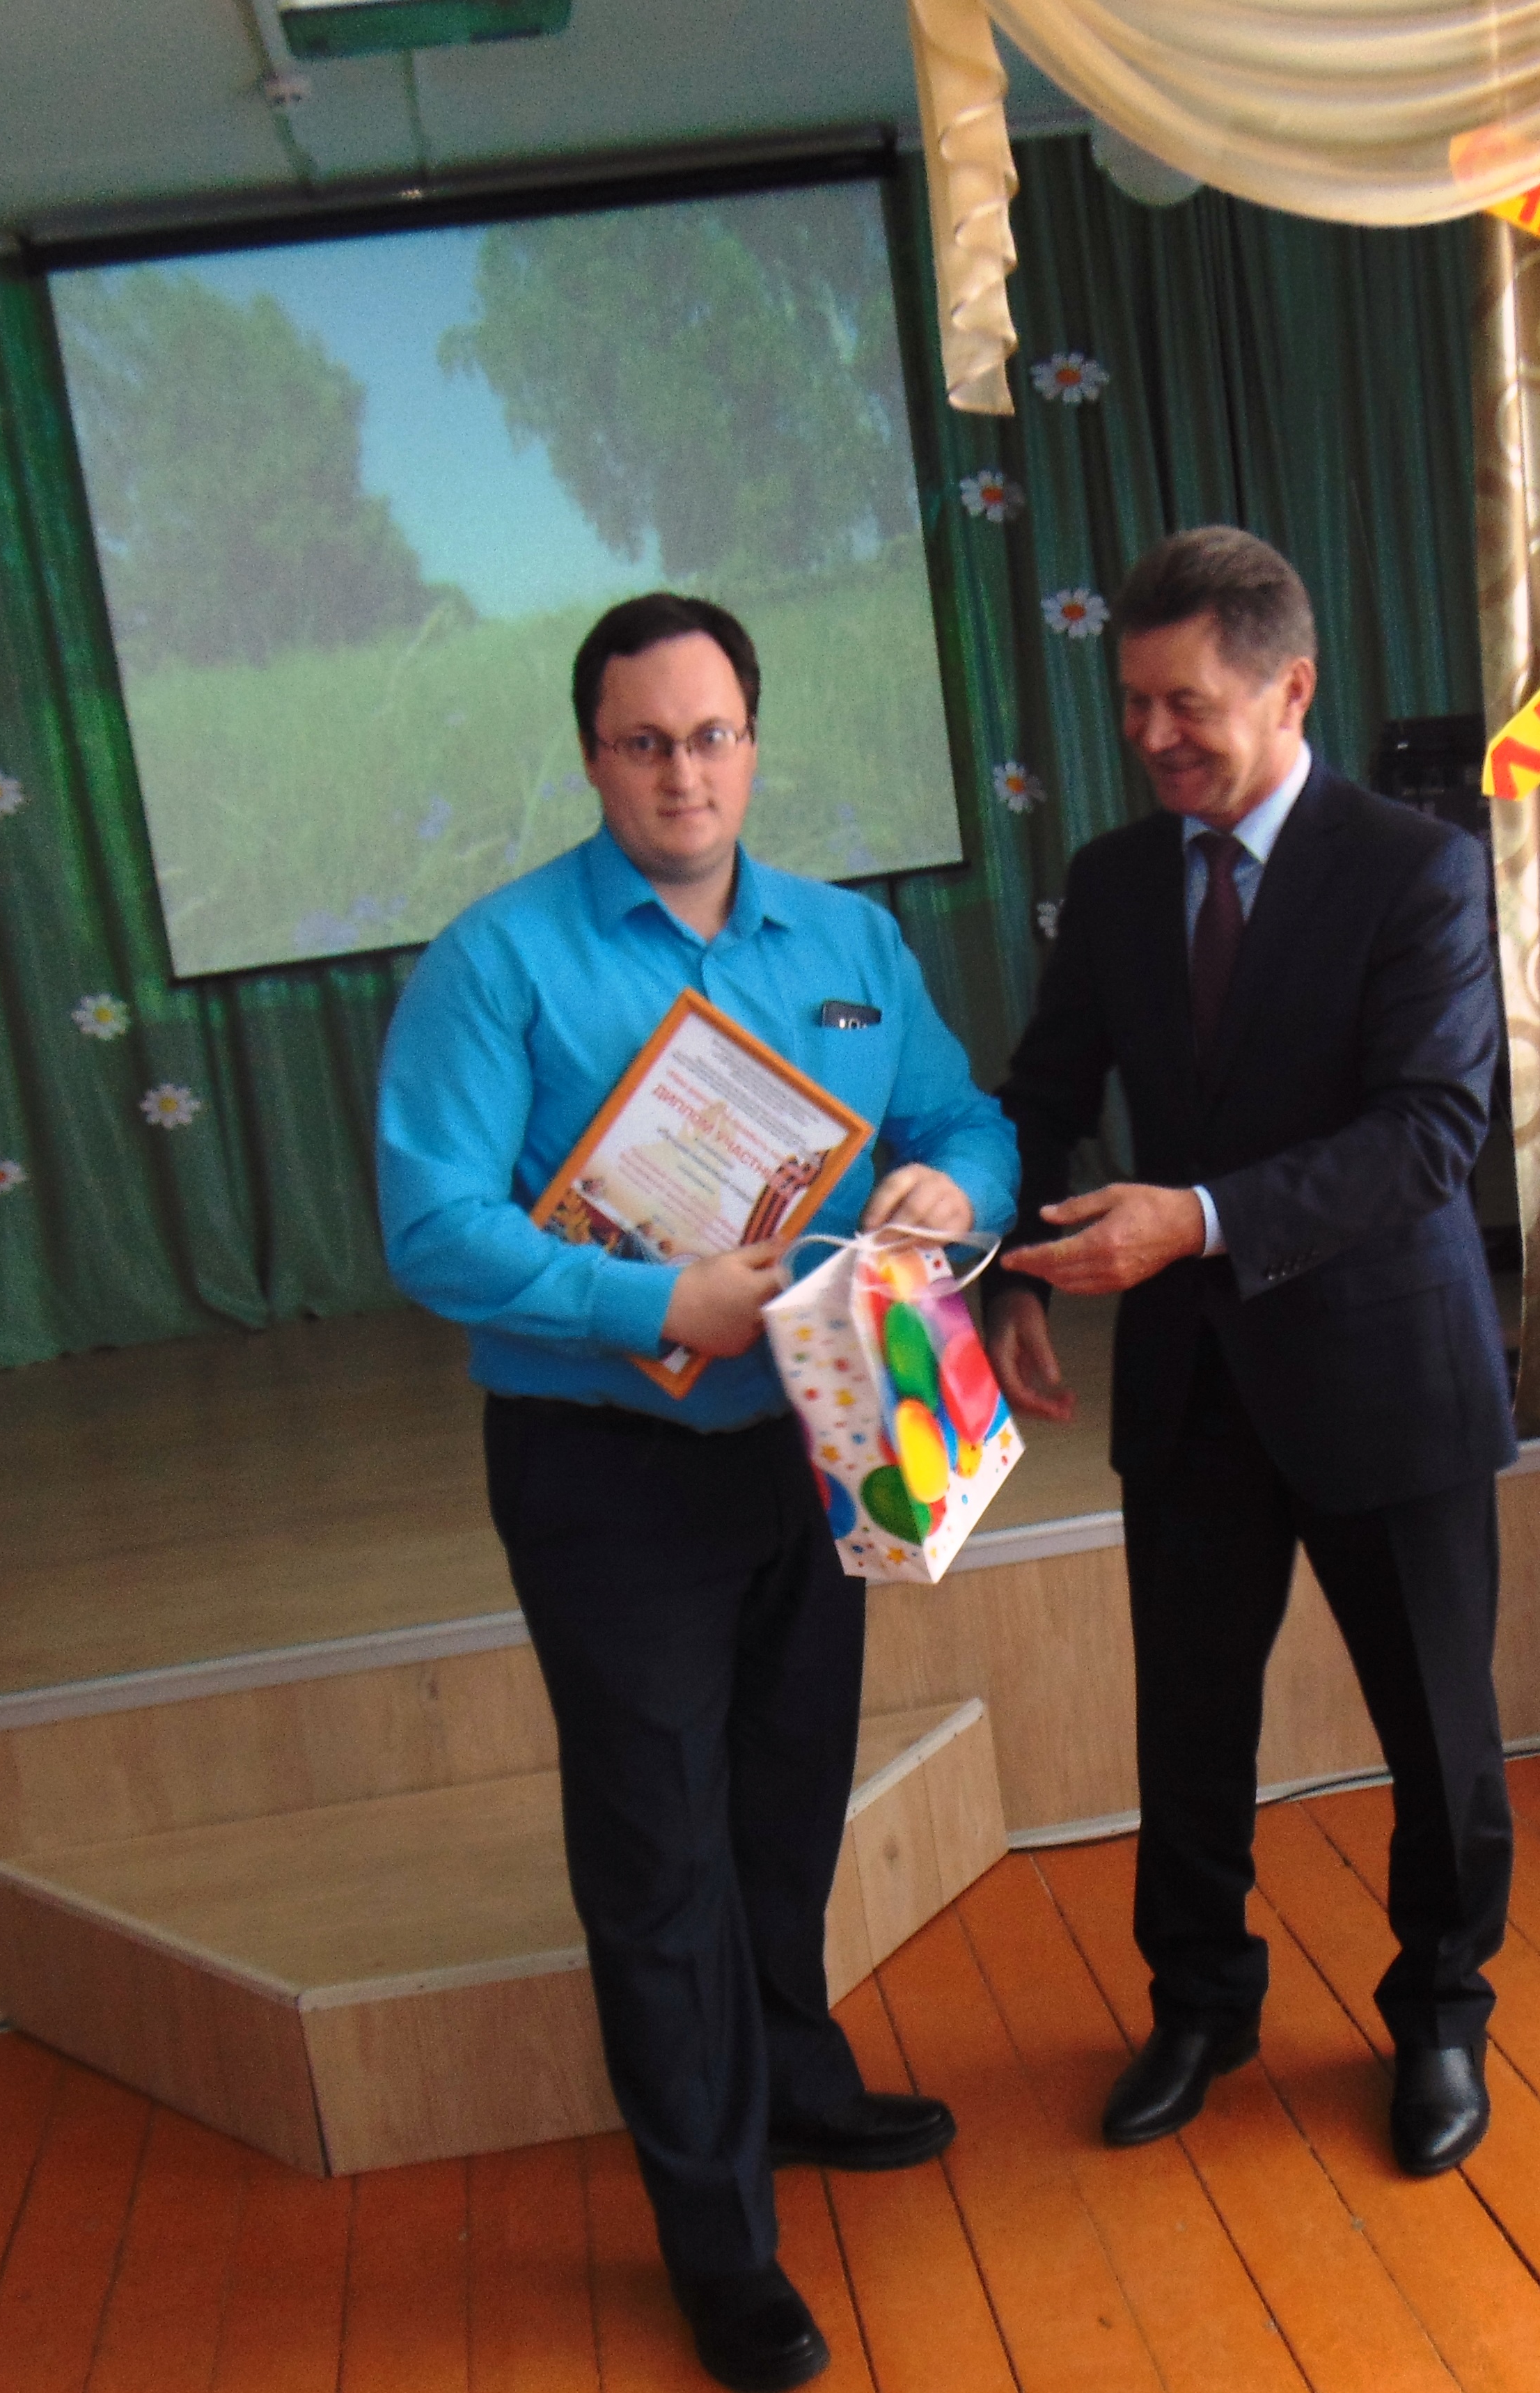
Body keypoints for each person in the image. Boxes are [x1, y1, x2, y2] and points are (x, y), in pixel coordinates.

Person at [377, 593, 1018, 2393]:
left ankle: (794, 2082)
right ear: (593, 757)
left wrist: (949, 1197)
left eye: (712, 735)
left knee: (786, 1797)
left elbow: (964, 1122)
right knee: (657, 1854)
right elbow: (431, 1228)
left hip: (823, 1431)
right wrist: (652, 1301)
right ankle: (718, 2239)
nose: (684, 772)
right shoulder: (496, 963)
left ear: (754, 742)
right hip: (604, 1468)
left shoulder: (849, 938)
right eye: (645, 742)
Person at [987, 528, 1516, 2176]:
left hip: (1388, 1380)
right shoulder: (1119, 881)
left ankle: (1441, 2013)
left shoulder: (1417, 869)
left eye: (1187, 706)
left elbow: (1432, 1132)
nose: (1152, 738)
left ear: (1291, 688)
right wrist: (1001, 1275)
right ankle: (1201, 2004)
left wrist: (1200, 1220)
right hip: (1191, 1389)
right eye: (1133, 704)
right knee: (1190, 1729)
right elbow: (1043, 1093)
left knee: (1440, 1736)